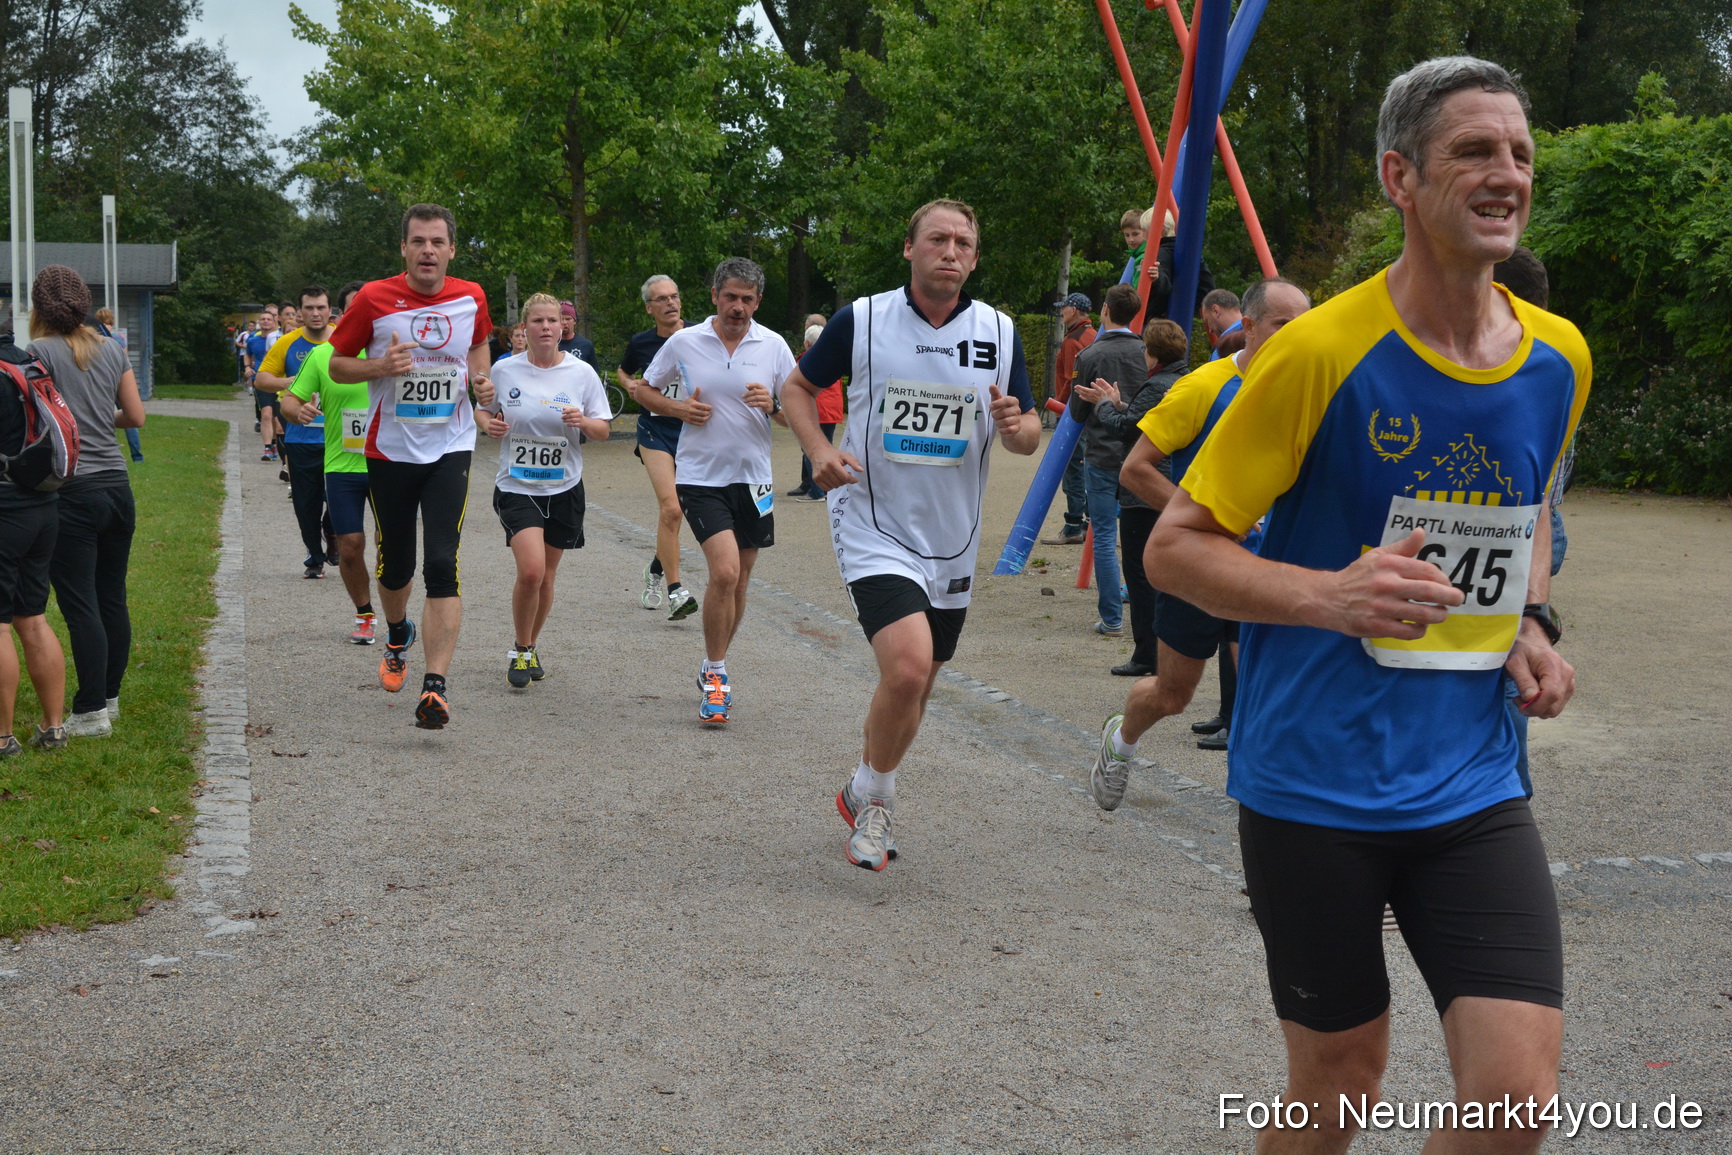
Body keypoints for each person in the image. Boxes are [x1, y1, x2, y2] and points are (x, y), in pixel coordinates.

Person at [1140, 58, 1590, 1152]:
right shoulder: (1314, 354)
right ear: (1399, 176)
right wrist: (1329, 594)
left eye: (1519, 154)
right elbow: (1172, 549)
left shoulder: (1557, 357)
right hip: (1312, 787)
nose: (1505, 174)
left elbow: (1526, 510)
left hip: (1471, 781)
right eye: (1473, 151)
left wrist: (1530, 619)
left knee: (1514, 1105)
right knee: (1339, 1086)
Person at [781, 198, 1040, 871]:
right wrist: (817, 449)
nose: (949, 251)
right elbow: (796, 390)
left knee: (917, 686)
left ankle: (865, 783)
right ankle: (878, 801)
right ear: (910, 249)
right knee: (907, 665)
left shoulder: (999, 331)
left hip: (951, 536)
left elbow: (1029, 431)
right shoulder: (862, 320)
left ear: (975, 257)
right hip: (872, 522)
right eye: (936, 239)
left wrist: (1019, 428)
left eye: (962, 242)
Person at [1094, 277, 1311, 796]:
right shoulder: (1202, 386)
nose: (1299, 337)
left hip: (1265, 568)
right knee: (1173, 694)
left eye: (1306, 327)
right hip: (1200, 566)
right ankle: (1120, 740)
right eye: (1285, 326)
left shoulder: (1312, 393)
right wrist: (1206, 519)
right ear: (1251, 327)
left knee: (1262, 689)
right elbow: (1135, 469)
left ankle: (1265, 820)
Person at [327, 203, 498, 730]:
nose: (428, 250)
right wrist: (380, 365)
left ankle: (436, 687)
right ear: (403, 249)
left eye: (437, 242)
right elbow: (336, 363)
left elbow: (478, 347)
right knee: (397, 564)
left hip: (450, 445)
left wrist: (482, 382)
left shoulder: (472, 296)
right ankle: (398, 633)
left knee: (443, 562)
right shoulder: (376, 298)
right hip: (390, 450)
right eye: (418, 241)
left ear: (451, 249)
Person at [640, 257, 796, 725]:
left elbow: (796, 412)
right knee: (725, 573)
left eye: (747, 299)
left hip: (753, 477)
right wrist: (678, 409)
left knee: (742, 578)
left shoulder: (773, 345)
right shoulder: (685, 341)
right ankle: (717, 675)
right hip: (700, 475)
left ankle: (714, 664)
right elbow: (644, 391)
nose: (738, 307)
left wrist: (775, 406)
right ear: (714, 296)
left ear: (758, 302)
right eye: (730, 297)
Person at [29, 265, 146, 738]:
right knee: (111, 596)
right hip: (117, 487)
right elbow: (135, 415)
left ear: (39, 307)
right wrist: (97, 415)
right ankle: (110, 697)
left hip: (72, 489)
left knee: (80, 605)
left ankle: (91, 710)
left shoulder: (37, 353)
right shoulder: (111, 349)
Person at [478, 293, 611, 687]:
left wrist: (583, 421)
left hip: (564, 485)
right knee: (531, 571)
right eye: (538, 321)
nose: (547, 328)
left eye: (553, 321)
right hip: (517, 484)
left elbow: (603, 430)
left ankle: (531, 644)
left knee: (548, 577)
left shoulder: (581, 373)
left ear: (563, 326)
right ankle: (520, 651)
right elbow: (481, 409)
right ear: (524, 328)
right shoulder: (505, 370)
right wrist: (488, 425)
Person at [1084, 317, 1189, 677]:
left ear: (1154, 352)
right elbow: (1144, 419)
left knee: (1141, 576)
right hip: (1170, 488)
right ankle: (1163, 650)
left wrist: (1104, 406)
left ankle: (1146, 653)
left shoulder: (1157, 384)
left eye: (1146, 349)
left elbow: (1124, 428)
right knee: (1165, 575)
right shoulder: (1181, 381)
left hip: (1143, 493)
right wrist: (1118, 402)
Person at [282, 280, 380, 645]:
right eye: (357, 308)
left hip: (389, 465)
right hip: (342, 466)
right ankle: (365, 613)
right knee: (351, 545)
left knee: (392, 548)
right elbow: (288, 402)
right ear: (345, 315)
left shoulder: (394, 355)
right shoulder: (324, 355)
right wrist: (298, 410)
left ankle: (397, 615)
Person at [0, 339, 68, 753]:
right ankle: (53, 728)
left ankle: (3, 737)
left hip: (4, 506)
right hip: (43, 501)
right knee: (33, 617)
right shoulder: (26, 361)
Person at [1066, 283, 1146, 637]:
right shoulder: (1147, 352)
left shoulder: (1089, 356)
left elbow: (1078, 411)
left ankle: (1112, 618)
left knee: (1102, 537)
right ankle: (1146, 617)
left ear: (1104, 310)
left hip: (1101, 454)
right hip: (1142, 455)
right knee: (1142, 537)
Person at [617, 275, 698, 620]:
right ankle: (676, 591)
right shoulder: (641, 342)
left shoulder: (699, 336)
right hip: (655, 430)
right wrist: (632, 385)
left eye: (674, 296)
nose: (670, 303)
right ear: (649, 308)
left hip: (693, 433)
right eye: (661, 299)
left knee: (683, 509)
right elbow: (622, 371)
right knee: (671, 509)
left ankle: (656, 568)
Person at [255, 286, 338, 579]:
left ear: (330, 311)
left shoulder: (345, 340)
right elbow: (261, 378)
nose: (316, 313)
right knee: (306, 502)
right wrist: (292, 381)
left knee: (340, 497)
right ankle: (314, 556)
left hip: (340, 437)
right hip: (301, 437)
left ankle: (332, 530)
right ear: (299, 313)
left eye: (321, 308)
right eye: (309, 308)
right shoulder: (287, 343)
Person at [1040, 291, 1095, 545]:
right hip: (1091, 412)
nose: (1061, 312)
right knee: (1084, 467)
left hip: (1072, 413)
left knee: (1072, 468)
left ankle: (1073, 525)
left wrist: (1059, 407)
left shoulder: (1073, 340)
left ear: (1073, 310)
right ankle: (1085, 522)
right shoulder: (1093, 336)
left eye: (1064, 308)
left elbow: (1068, 381)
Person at [786, 322, 841, 502]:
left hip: (817, 410)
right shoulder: (835, 357)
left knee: (811, 451)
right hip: (832, 410)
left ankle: (817, 492)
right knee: (828, 449)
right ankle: (826, 489)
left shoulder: (806, 360)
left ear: (807, 344)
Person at [94, 308, 143, 462]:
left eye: (108, 323)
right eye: (104, 323)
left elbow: (124, 362)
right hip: (111, 381)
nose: (106, 326)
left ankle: (136, 455)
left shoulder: (110, 339)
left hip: (113, 382)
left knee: (129, 417)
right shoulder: (117, 339)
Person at [244, 307, 282, 462]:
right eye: (263, 319)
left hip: (279, 381)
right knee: (266, 414)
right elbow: (248, 353)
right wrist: (247, 367)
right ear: (259, 322)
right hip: (262, 380)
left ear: (275, 322)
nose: (266, 321)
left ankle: (274, 444)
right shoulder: (253, 339)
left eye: (269, 319)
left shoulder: (280, 338)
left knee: (277, 418)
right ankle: (268, 448)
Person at [1199, 288, 1243, 360]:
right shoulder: (1259, 333)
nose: (1210, 330)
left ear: (1215, 311)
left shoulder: (1223, 349)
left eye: (1207, 322)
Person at [556, 301, 600, 371]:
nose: (564, 322)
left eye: (568, 319)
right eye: (561, 319)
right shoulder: (551, 345)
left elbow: (594, 373)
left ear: (574, 321)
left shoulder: (585, 345)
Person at [1116, 208, 1147, 286]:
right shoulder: (1137, 255)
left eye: (1135, 234)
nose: (1131, 239)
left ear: (1146, 231)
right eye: (1127, 235)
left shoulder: (1144, 257)